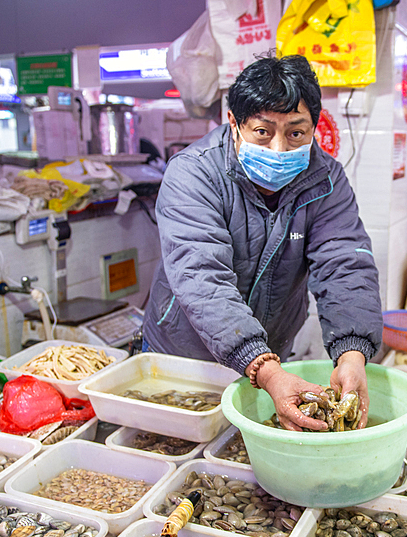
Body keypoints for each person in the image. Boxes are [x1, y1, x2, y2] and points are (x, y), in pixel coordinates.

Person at [141, 55, 382, 431]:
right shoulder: (193, 173)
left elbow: (345, 264)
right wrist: (264, 369)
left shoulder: (327, 181)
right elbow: (201, 277)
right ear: (234, 123)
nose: (279, 149)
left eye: (296, 133)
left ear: (315, 128)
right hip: (185, 355)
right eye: (263, 132)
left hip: (270, 353)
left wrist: (352, 354)